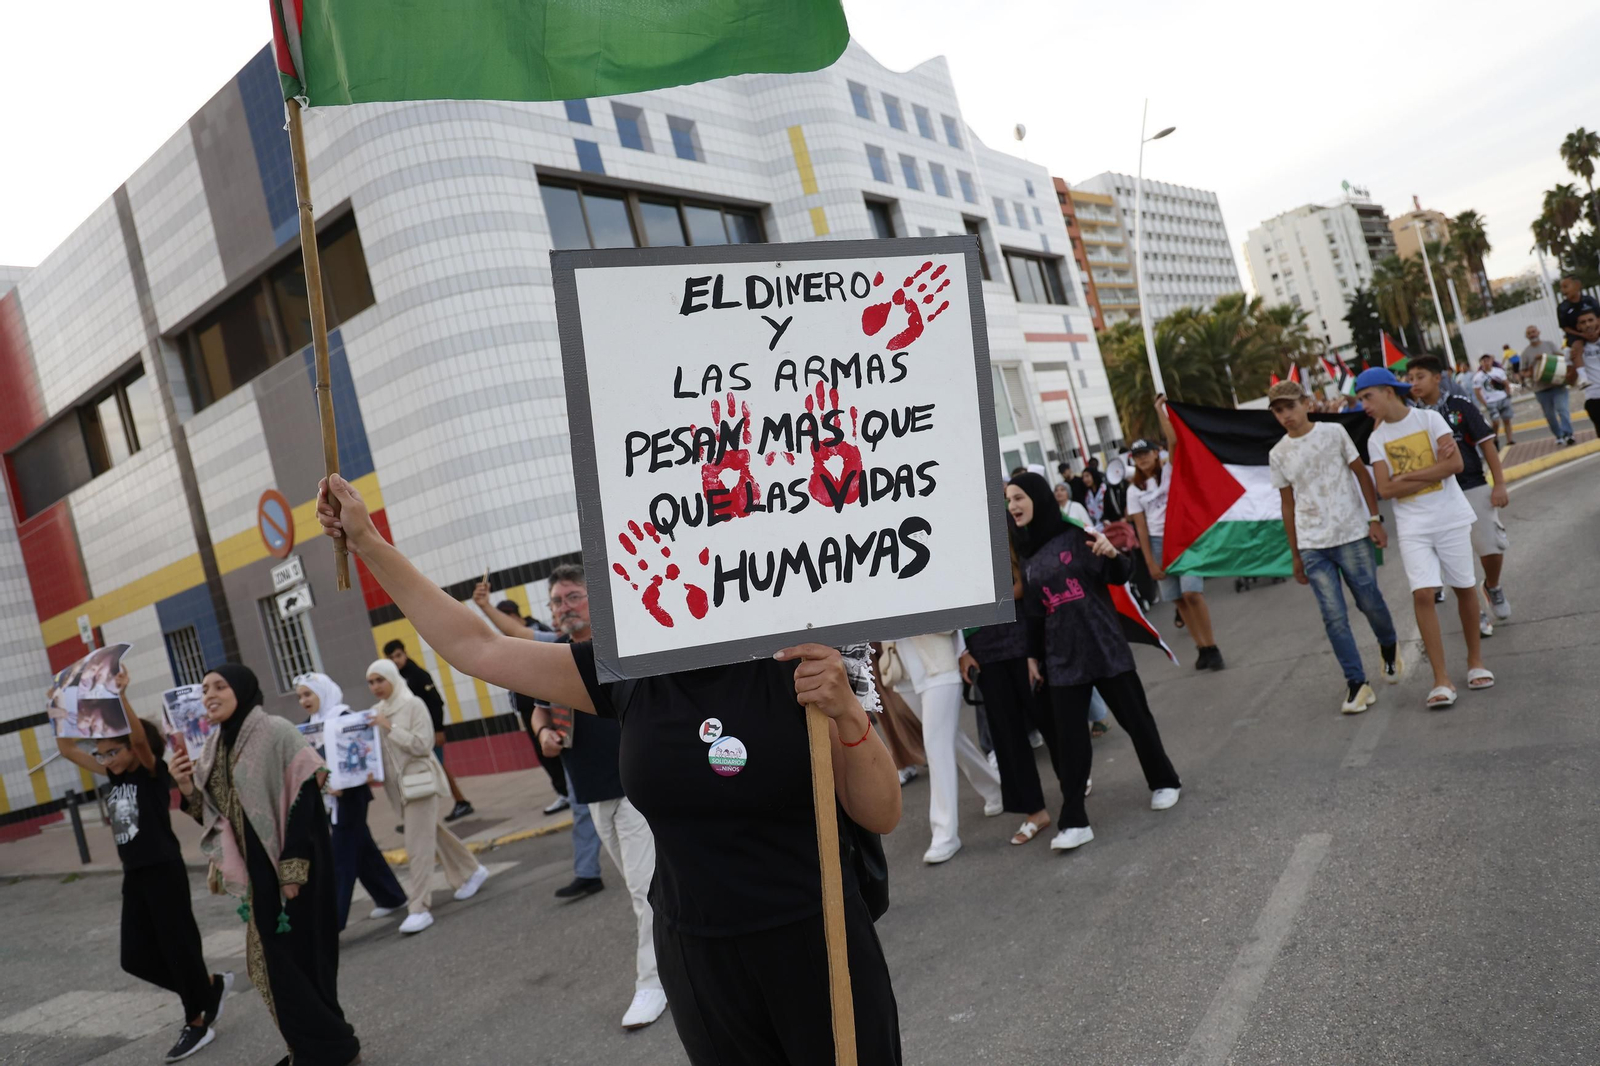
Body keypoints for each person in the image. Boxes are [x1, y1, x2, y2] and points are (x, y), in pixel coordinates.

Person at [318, 474, 903, 1065]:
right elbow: (478, 648)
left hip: (817, 938)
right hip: (698, 957)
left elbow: (881, 811)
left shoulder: (803, 661)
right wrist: (367, 541)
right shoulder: (631, 668)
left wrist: (847, 710)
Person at [474, 567, 668, 1030]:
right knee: (644, 892)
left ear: (595, 599)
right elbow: (540, 709)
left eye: (573, 597)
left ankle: (654, 984)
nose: (564, 608)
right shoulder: (556, 657)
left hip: (637, 790)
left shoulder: (624, 645)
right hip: (593, 791)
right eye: (556, 602)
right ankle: (684, 961)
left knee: (646, 892)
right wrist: (543, 732)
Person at [170, 664, 360, 1066]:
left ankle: (333, 1051)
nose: (210, 696)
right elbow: (213, 813)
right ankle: (312, 1050)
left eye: (219, 686)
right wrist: (186, 787)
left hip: (296, 864)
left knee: (303, 963)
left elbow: (307, 797)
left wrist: (292, 868)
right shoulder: (215, 746)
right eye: (204, 690)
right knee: (276, 969)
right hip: (259, 872)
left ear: (241, 688)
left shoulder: (275, 731)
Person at [1006, 472, 1182, 853]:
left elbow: (1120, 575)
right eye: (1009, 500)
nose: (1013, 506)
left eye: (1019, 497)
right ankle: (1074, 820)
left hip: (1103, 647)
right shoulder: (1029, 553)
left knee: (1137, 721)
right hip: (1061, 659)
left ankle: (1165, 781)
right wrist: (1034, 656)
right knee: (1070, 743)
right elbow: (1035, 611)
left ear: (1038, 497)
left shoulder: (1079, 537)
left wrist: (1112, 552)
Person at [71, 669, 232, 1064]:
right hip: (135, 874)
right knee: (135, 957)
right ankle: (206, 986)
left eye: (114, 750)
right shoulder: (113, 774)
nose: (107, 759)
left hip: (162, 868)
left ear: (132, 749)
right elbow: (67, 750)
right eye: (102, 754)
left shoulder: (150, 772)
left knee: (178, 946)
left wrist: (120, 695)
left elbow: (140, 739)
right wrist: (59, 708)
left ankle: (197, 1022)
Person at [1355, 367, 1493, 708]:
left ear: (1388, 391)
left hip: (1449, 518)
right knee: (1423, 595)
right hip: (1413, 525)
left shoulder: (1430, 421)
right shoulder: (1376, 440)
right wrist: (1431, 470)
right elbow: (1385, 488)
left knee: (1463, 587)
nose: (1364, 406)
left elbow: (1455, 466)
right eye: (1360, 399)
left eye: (1367, 397)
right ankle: (1441, 679)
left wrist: (1408, 476)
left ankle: (1475, 662)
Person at [1265, 382, 1401, 715]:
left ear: (1305, 403)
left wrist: (1374, 519)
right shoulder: (1278, 453)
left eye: (1291, 407)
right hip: (1313, 545)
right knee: (1333, 618)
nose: (1286, 415)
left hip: (1352, 533)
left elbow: (1362, 475)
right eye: (1279, 411)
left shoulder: (1334, 432)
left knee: (1369, 601)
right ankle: (1357, 683)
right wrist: (1295, 553)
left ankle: (1388, 646)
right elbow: (1287, 505)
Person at [366, 658, 490, 935]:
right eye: (371, 682)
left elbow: (424, 745)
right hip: (397, 790)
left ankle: (419, 907)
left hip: (420, 784)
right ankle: (472, 870)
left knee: (417, 846)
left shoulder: (413, 705)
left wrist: (390, 728)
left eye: (380, 680)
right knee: (432, 833)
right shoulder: (376, 712)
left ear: (392, 679)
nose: (375, 687)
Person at [1406, 355, 1513, 634]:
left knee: (1492, 547)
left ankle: (1492, 585)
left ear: (1437, 377)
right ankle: (1474, 612)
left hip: (1472, 484)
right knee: (1456, 557)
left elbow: (1487, 444)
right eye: (1411, 378)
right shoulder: (1408, 416)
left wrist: (1499, 483)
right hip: (1436, 494)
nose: (1414, 383)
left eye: (1420, 376)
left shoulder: (1460, 406)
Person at [293, 673, 407, 932]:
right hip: (329, 799)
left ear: (323, 692)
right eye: (300, 696)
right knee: (362, 849)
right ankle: (392, 896)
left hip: (351, 797)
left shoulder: (345, 717)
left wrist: (344, 783)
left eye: (308, 694)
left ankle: (330, 923)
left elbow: (364, 754)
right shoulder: (308, 726)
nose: (303, 701)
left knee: (340, 858)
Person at [892, 631, 1003, 864]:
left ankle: (945, 833)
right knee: (950, 740)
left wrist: (962, 651)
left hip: (939, 661)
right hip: (902, 668)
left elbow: (949, 607)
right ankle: (995, 789)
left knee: (936, 747)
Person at [1125, 423, 1224, 670]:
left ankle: (1212, 645)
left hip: (1184, 538)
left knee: (1192, 592)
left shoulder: (1169, 471)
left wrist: (1161, 412)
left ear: (1156, 453)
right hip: (1158, 545)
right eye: (1137, 456)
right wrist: (1149, 561)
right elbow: (1141, 529)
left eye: (1146, 453)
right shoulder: (1133, 490)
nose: (1143, 459)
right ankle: (1201, 647)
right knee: (1179, 600)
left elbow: (1175, 441)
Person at [382, 639, 473, 821]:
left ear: (405, 653)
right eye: (391, 658)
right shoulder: (396, 680)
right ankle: (418, 815)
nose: (396, 661)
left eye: (398, 656)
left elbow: (436, 702)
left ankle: (461, 802)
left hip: (427, 732)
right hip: (410, 735)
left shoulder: (418, 675)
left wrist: (439, 730)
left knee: (437, 766)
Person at [1521, 324, 1577, 445]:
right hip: (1540, 389)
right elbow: (1522, 372)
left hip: (1557, 385)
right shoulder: (1525, 353)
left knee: (1562, 409)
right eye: (1529, 333)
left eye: (1534, 331)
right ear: (1526, 336)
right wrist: (1530, 370)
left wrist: (1546, 358)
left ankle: (1568, 434)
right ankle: (1559, 435)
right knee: (1550, 416)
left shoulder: (1549, 344)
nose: (1532, 334)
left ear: (1538, 332)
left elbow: (1562, 357)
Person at [1472, 354, 1515, 448]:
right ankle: (1495, 438)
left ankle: (1510, 440)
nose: (1486, 363)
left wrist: (1508, 394)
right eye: (1484, 361)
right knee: (1495, 422)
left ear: (1491, 361)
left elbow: (1506, 383)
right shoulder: (1478, 377)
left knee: (1507, 419)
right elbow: (1477, 391)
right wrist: (1484, 402)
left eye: (1488, 360)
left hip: (1502, 397)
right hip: (1491, 401)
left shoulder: (1499, 372)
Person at [1569, 306, 1600, 432]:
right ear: (1578, 327)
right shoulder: (1573, 350)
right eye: (1583, 322)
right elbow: (1570, 382)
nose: (1588, 325)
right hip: (1594, 399)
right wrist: (1573, 363)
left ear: (1597, 321)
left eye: (1590, 320)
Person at [1556, 275, 1600, 348]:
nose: (1562, 290)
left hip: (1595, 330)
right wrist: (1582, 335)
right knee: (1576, 349)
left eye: (1565, 287)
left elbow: (1599, 317)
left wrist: (1597, 331)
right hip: (1576, 335)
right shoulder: (1562, 307)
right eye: (1561, 287)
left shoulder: (1589, 301)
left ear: (1577, 285)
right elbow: (1565, 327)